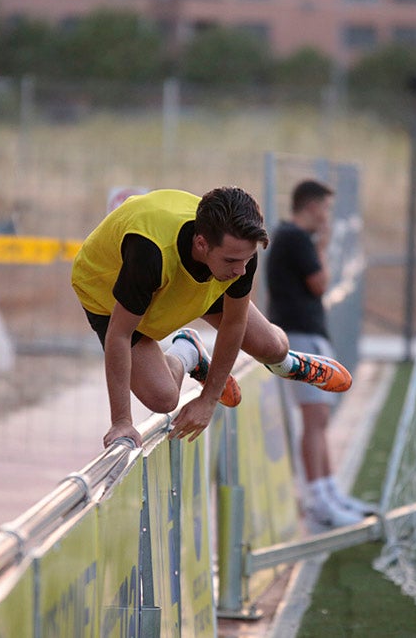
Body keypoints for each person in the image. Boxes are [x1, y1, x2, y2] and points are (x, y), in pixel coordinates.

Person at [70, 186, 353, 450]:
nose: (242, 271)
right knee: (163, 399)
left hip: (195, 272)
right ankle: (187, 352)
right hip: (109, 292)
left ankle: (288, 364)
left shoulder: (237, 254)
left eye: (247, 259)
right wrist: (122, 422)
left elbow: (234, 324)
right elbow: (119, 334)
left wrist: (209, 399)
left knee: (271, 348)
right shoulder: (149, 253)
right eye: (233, 261)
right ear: (202, 243)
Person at [266, 179, 376, 530]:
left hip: (304, 335)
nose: (327, 216)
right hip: (300, 336)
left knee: (319, 421)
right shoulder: (297, 239)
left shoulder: (289, 238)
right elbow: (320, 284)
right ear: (312, 206)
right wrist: (323, 248)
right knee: (313, 420)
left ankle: (329, 492)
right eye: (326, 208)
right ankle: (317, 501)